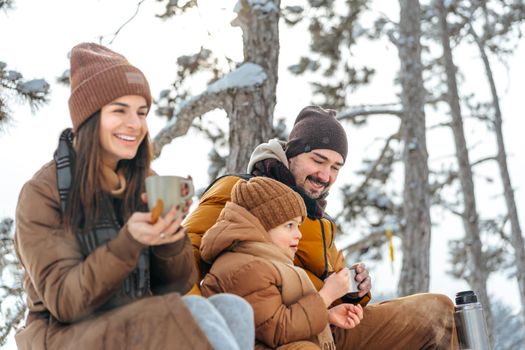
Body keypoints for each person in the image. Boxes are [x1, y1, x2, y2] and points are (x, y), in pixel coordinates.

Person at [14, 42, 253, 350]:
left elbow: (177, 285)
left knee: (234, 309)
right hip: (63, 334)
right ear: (89, 118)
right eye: (119, 111)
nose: (135, 124)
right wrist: (129, 242)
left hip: (131, 320)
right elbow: (65, 300)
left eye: (141, 112)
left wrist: (169, 238)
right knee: (180, 313)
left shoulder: (144, 182)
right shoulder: (42, 192)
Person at [185, 105, 458, 348]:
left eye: (336, 167)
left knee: (440, 313)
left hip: (328, 324)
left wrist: (355, 290)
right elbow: (185, 257)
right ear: (291, 154)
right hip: (277, 331)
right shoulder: (240, 191)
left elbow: (334, 284)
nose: (325, 176)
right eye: (318, 160)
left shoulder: (318, 219)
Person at [200, 176, 364, 349]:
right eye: (289, 226)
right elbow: (279, 331)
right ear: (262, 225)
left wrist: (327, 315)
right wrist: (327, 295)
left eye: (298, 226)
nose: (299, 234)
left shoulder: (261, 258)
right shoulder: (246, 267)